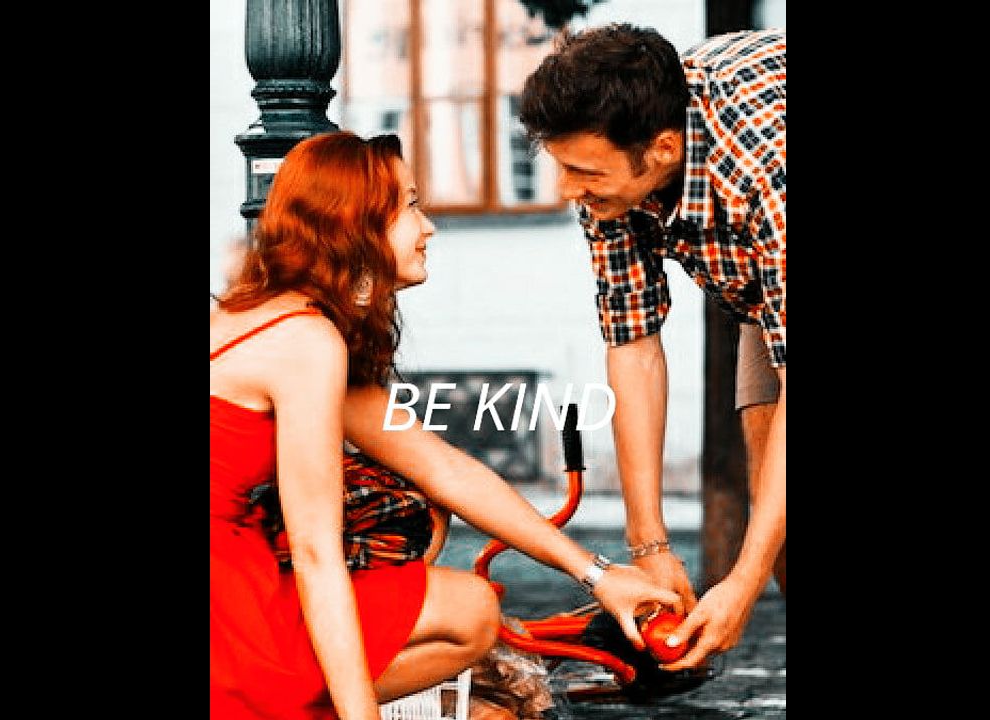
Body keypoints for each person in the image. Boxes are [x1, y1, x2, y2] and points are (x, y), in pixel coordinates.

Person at [210, 130, 680, 719]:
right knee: (465, 609)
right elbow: (315, 552)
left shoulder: (278, 318)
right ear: (355, 223)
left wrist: (598, 575)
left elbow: (444, 469)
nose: (428, 226)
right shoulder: (306, 341)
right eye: (409, 205)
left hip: (234, 570)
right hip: (226, 600)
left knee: (468, 601)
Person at [517, 24, 786, 671]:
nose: (567, 190)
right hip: (766, 288)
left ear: (664, 149)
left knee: (761, 555)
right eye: (562, 166)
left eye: (583, 172)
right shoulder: (611, 167)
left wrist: (742, 582)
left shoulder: (764, 166)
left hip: (772, 225)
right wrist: (650, 547)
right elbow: (633, 341)